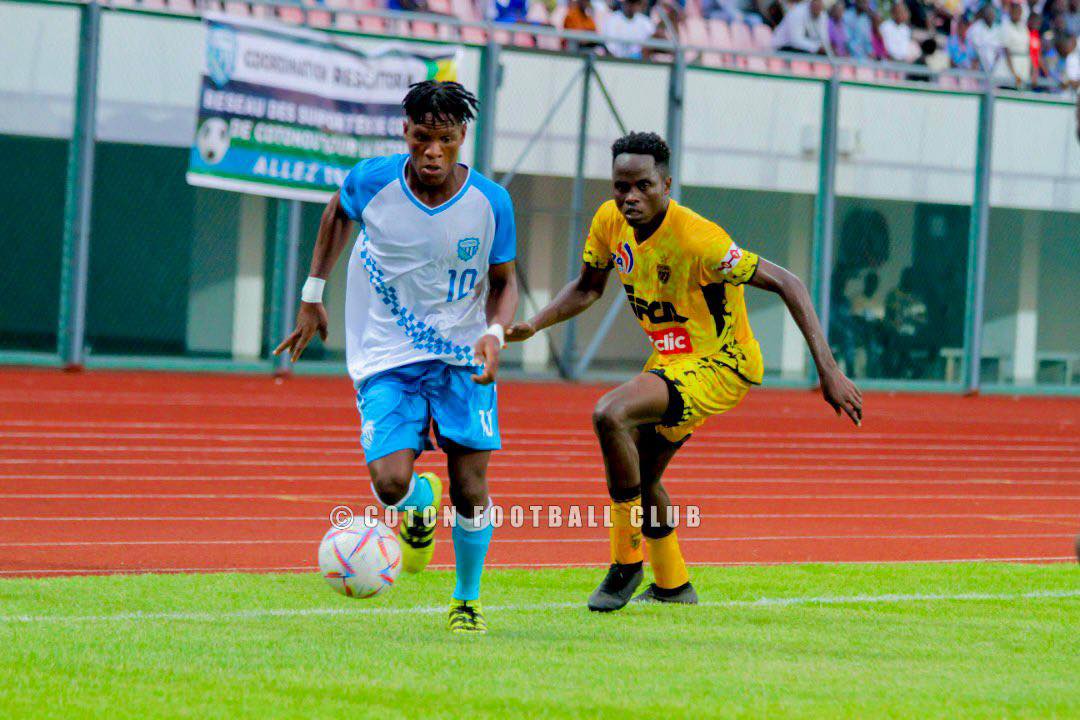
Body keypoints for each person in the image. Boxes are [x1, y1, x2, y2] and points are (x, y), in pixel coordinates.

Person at [506, 132, 862, 612]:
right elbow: (589, 288)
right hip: (672, 363)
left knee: (610, 413)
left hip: (722, 364)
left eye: (643, 186)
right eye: (620, 186)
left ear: (666, 184)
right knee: (644, 470)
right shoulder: (610, 223)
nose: (630, 197)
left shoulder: (700, 239)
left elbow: (789, 282)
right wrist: (535, 322)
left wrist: (829, 371)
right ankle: (674, 586)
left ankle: (626, 561)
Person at [274, 81, 518, 635]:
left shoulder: (491, 202)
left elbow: (504, 282)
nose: (433, 152)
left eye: (447, 140)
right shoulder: (373, 180)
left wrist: (496, 333)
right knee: (388, 481)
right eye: (422, 138)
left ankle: (466, 600)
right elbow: (338, 210)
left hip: (462, 353)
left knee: (472, 486)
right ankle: (417, 504)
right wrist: (313, 295)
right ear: (405, 132)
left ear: (463, 138)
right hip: (388, 352)